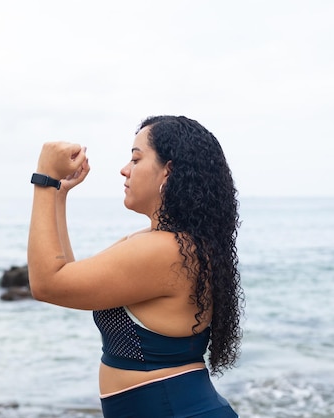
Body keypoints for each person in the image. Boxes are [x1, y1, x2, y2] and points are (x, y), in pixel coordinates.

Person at [28, 115, 243, 417]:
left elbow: (46, 284)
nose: (124, 170)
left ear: (168, 171)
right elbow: (66, 276)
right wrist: (59, 194)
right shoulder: (167, 244)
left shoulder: (164, 251)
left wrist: (44, 180)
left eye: (136, 159)